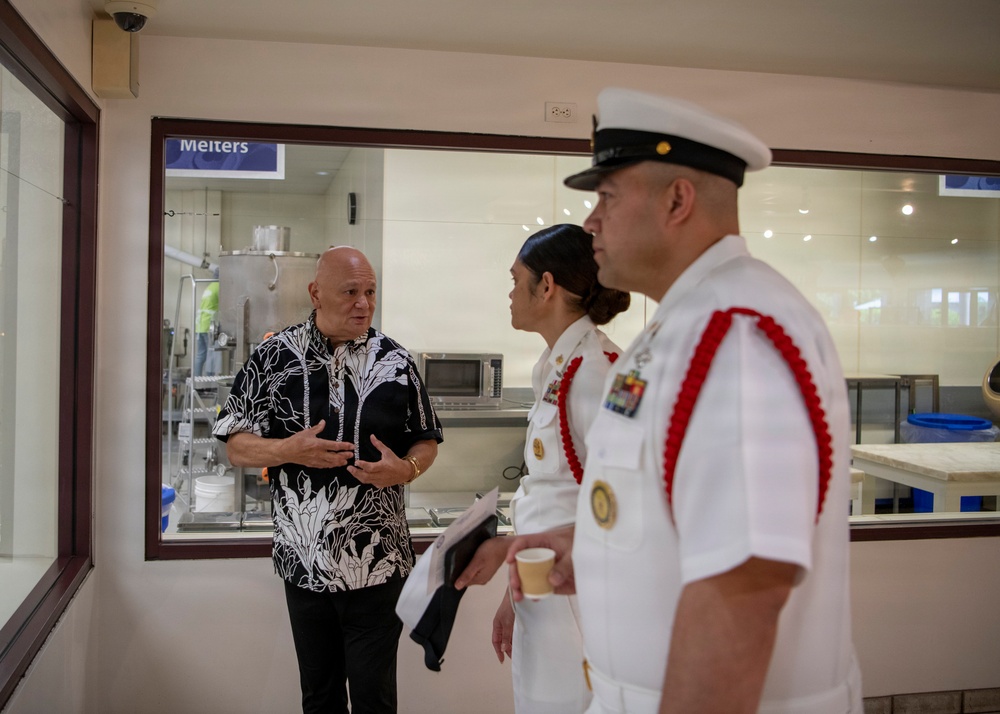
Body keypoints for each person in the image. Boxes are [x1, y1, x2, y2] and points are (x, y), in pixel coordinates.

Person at [505, 88, 863, 714]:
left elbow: (746, 585)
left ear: (677, 200)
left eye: (607, 196)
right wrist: (587, 543)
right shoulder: (682, 329)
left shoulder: (736, 334)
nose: (590, 221)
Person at [212, 246, 443, 714]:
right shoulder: (273, 357)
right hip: (304, 565)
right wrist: (284, 450)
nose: (364, 303)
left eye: (371, 292)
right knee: (319, 700)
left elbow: (426, 441)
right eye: (351, 292)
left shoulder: (397, 362)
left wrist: (407, 469)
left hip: (379, 566)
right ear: (316, 293)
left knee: (375, 699)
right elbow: (234, 444)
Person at [454, 224, 629, 713]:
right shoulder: (553, 366)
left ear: (547, 286)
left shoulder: (598, 373)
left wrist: (516, 552)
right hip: (541, 584)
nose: (510, 294)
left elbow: (628, 504)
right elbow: (550, 494)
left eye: (516, 280)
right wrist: (514, 593)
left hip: (580, 596)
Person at [193, 277, 219, 377]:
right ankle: (209, 382)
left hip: (200, 325)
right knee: (211, 355)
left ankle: (197, 380)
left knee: (201, 355)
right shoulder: (220, 286)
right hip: (209, 326)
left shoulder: (210, 287)